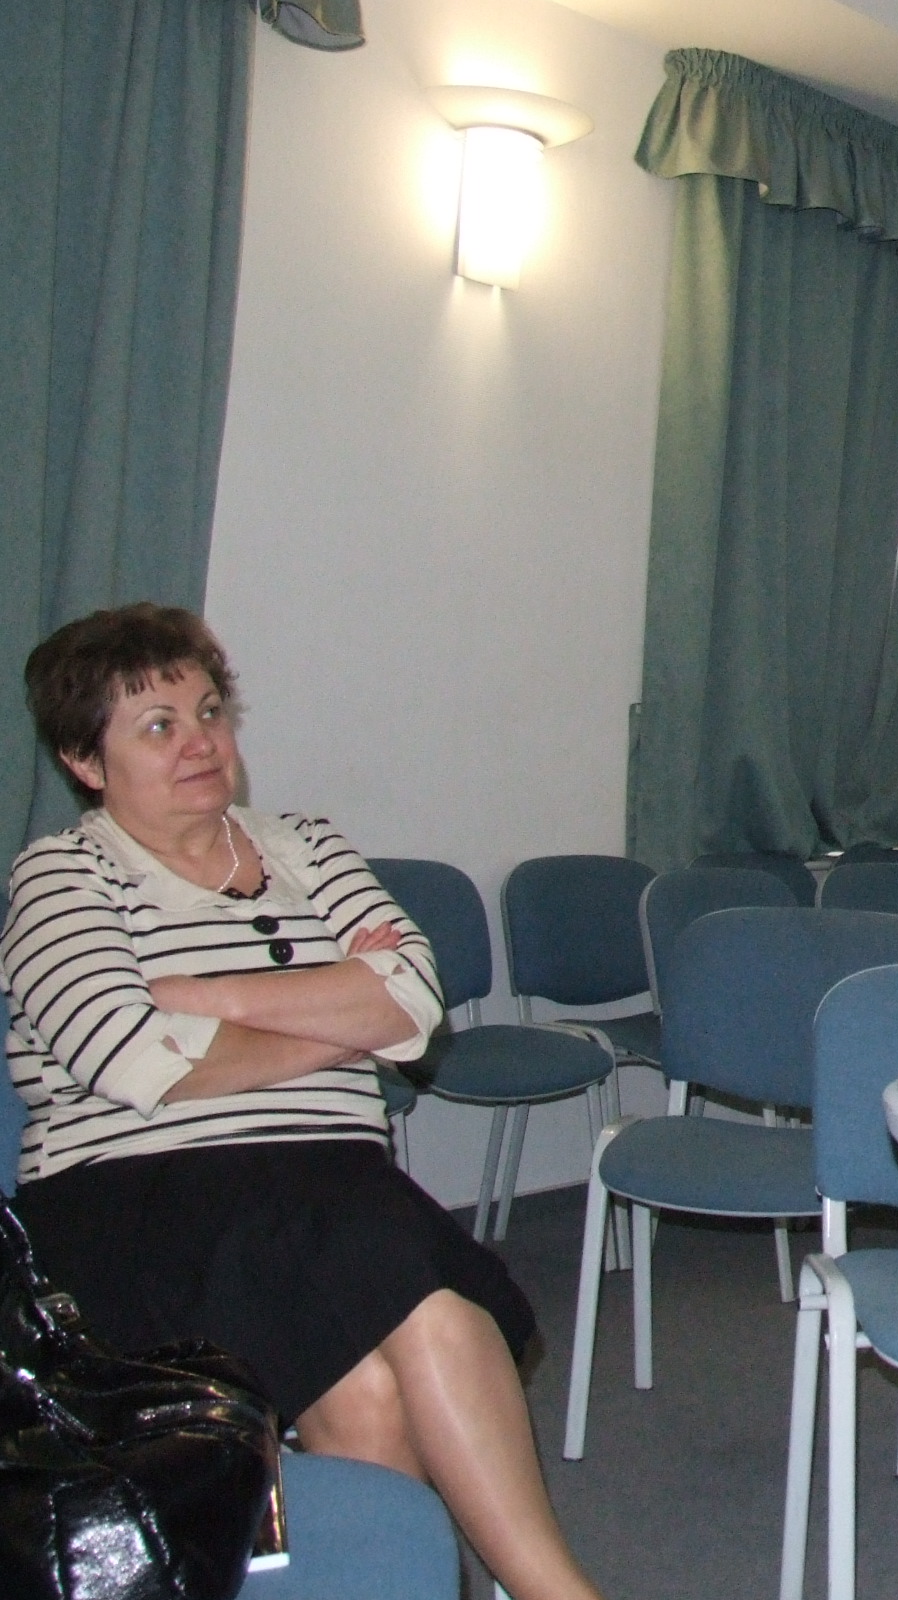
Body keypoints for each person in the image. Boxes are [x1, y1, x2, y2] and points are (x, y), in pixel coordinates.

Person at [2, 604, 605, 1600]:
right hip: (139, 1200)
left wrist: (206, 998)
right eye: (158, 726)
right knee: (423, 1295)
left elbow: (414, 1001)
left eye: (209, 711)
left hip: (327, 1183)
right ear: (84, 760)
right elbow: (134, 1058)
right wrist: (344, 1014)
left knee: (372, 1383)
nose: (200, 742)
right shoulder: (61, 876)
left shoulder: (306, 846)